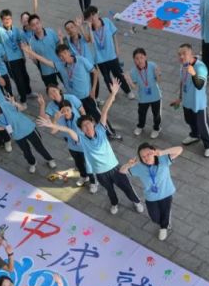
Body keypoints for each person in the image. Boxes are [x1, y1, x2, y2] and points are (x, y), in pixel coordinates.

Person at [38, 79, 144, 215]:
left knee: (127, 188)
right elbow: (68, 130)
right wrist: (52, 124)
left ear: (93, 123)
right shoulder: (81, 138)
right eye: (84, 126)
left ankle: (136, 202)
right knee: (110, 191)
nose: (87, 127)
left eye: (88, 124)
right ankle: (114, 204)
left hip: (115, 168)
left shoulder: (101, 130)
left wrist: (113, 94)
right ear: (81, 130)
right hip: (100, 173)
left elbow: (104, 111)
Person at [22, 42, 121, 139]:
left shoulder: (81, 60)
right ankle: (90, 135)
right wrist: (30, 52)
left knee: (98, 116)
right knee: (83, 120)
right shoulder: (60, 65)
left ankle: (110, 133)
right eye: (60, 56)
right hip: (73, 100)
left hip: (86, 97)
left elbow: (95, 72)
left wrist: (93, 89)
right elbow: (45, 61)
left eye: (64, 53)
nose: (63, 57)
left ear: (69, 52)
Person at [120, 144, 184, 241]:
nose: (146, 158)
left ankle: (164, 227)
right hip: (151, 197)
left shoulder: (163, 159)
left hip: (166, 193)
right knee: (154, 218)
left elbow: (179, 149)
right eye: (143, 157)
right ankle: (163, 222)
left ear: (154, 152)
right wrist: (129, 164)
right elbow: (122, 171)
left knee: (165, 213)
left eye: (148, 154)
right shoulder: (139, 167)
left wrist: (162, 152)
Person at [38, 93, 97, 192]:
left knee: (88, 165)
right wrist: (55, 119)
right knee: (78, 163)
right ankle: (84, 176)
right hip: (72, 146)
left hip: (83, 146)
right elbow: (53, 131)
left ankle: (93, 182)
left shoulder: (79, 119)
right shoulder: (61, 119)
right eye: (63, 111)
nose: (66, 112)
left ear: (71, 109)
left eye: (68, 110)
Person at [0, 95, 56, 173]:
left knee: (39, 147)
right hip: (17, 135)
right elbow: (2, 128)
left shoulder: (5, 104)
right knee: (26, 152)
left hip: (28, 128)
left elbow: (22, 108)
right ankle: (32, 163)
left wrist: (15, 103)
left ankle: (50, 159)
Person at [173, 43, 209, 157]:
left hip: (198, 104)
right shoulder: (183, 66)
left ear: (192, 53)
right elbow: (182, 82)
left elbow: (199, 85)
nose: (181, 56)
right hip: (187, 101)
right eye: (179, 54)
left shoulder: (200, 67)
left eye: (184, 53)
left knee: (203, 125)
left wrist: (193, 74)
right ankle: (195, 135)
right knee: (190, 121)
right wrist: (180, 98)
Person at [83, 6, 134, 98]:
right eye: (89, 17)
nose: (93, 18)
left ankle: (127, 91)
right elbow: (92, 41)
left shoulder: (106, 21)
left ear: (97, 13)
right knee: (106, 77)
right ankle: (113, 92)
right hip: (100, 58)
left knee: (118, 74)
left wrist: (116, 47)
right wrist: (90, 28)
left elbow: (114, 34)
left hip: (111, 54)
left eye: (93, 15)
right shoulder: (90, 28)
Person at [0, 9, 33, 103]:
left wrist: (23, 55)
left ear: (11, 19)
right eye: (5, 19)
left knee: (25, 76)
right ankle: (23, 100)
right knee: (18, 80)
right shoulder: (0, 30)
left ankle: (28, 92)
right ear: (2, 20)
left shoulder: (16, 29)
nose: (7, 21)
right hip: (10, 61)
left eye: (9, 18)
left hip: (19, 57)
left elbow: (20, 43)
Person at [129, 48, 163, 138]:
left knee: (156, 114)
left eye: (141, 57)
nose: (139, 60)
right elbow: (134, 87)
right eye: (137, 58)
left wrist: (157, 74)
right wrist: (129, 80)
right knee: (141, 113)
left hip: (155, 96)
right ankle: (140, 126)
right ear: (134, 60)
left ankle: (156, 128)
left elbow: (159, 81)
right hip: (143, 98)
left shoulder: (152, 65)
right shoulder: (133, 71)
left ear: (145, 57)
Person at [27, 13, 62, 86]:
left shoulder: (51, 32)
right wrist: (33, 59)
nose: (36, 26)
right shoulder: (32, 42)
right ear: (30, 27)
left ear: (41, 23)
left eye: (37, 23)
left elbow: (59, 46)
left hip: (59, 64)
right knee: (53, 89)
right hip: (46, 70)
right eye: (33, 25)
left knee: (69, 84)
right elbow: (36, 61)